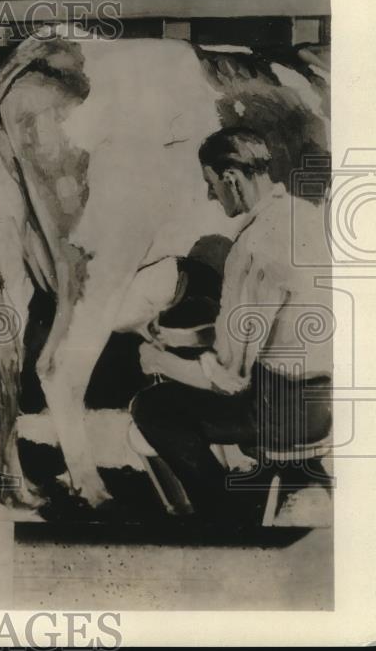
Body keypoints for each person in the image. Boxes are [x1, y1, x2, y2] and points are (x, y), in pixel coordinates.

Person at [129, 127, 333, 520]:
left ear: (231, 179)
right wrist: (179, 337)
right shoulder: (305, 218)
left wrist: (158, 361)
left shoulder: (253, 247)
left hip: (281, 417)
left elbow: (229, 376)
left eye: (210, 184)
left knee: (153, 406)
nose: (210, 196)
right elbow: (271, 329)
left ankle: (223, 512)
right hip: (324, 407)